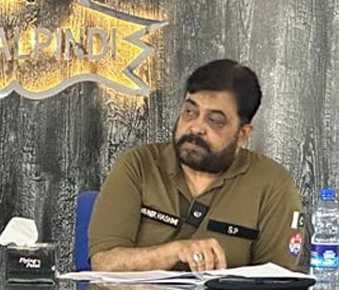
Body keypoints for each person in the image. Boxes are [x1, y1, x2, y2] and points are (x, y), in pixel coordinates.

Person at [88, 59, 306, 272]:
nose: (196, 127)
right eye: (190, 112)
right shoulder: (138, 166)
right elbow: (104, 262)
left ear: (242, 134)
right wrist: (174, 252)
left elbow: (277, 278)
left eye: (215, 120)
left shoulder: (272, 184)